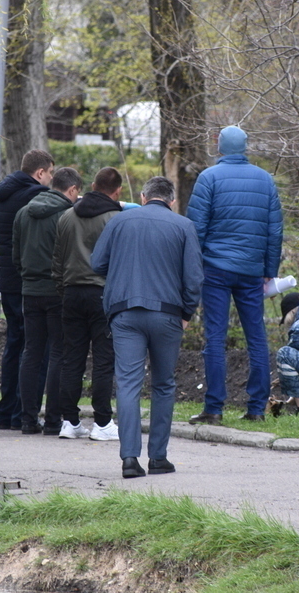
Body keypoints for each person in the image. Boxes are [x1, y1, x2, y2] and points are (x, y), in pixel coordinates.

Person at [91, 176, 203, 478]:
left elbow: (97, 263)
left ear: (142, 197)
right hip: (167, 315)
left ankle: (129, 459)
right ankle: (158, 458)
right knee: (163, 384)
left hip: (125, 313)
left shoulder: (119, 222)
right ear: (173, 201)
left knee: (128, 383)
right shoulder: (183, 226)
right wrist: (187, 313)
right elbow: (194, 278)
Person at [186, 125, 282, 424]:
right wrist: (269, 271)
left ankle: (213, 408)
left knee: (215, 337)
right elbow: (274, 230)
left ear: (219, 146)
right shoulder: (265, 180)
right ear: (246, 146)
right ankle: (256, 409)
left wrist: (193, 266)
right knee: (257, 338)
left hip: (215, 268)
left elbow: (195, 228)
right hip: (252, 272)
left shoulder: (208, 178)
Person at [51, 167, 123, 441]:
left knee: (72, 359)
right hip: (102, 295)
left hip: (71, 293)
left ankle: (69, 422)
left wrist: (64, 288)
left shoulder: (67, 216)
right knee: (104, 361)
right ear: (117, 191)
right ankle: (102, 423)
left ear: (92, 185)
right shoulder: (115, 219)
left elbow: (57, 261)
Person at [12, 167, 83, 435]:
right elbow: (69, 256)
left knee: (31, 352)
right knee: (58, 353)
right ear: (72, 189)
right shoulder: (67, 215)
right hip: (57, 291)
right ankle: (54, 419)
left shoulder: (23, 212)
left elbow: (15, 256)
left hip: (29, 290)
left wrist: (28, 278)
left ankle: (27, 419)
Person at [0, 150, 55, 431]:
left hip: (7, 281)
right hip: (28, 282)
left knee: (14, 344)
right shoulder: (33, 196)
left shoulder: (5, 194)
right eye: (50, 173)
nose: (51, 180)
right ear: (40, 173)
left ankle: (6, 412)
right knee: (35, 349)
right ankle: (23, 412)